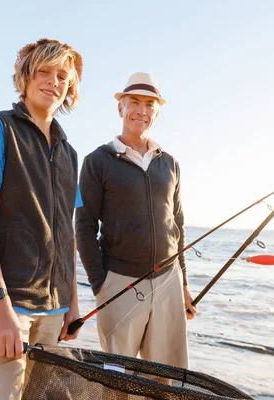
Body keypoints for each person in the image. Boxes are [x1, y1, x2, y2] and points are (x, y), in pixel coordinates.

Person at [0, 38, 83, 399]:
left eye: (62, 76)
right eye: (44, 72)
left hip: (56, 307)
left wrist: (73, 303)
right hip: (9, 302)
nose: (53, 81)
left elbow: (67, 234)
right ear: (25, 77)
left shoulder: (69, 152)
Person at [75, 72, 197, 371]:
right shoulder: (97, 161)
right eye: (134, 102)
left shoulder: (169, 162)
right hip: (119, 283)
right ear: (121, 108)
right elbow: (84, 226)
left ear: (157, 112)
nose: (141, 110)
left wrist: (183, 285)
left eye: (149, 104)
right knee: (118, 378)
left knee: (166, 377)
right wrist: (99, 283)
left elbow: (177, 224)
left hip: (169, 281)